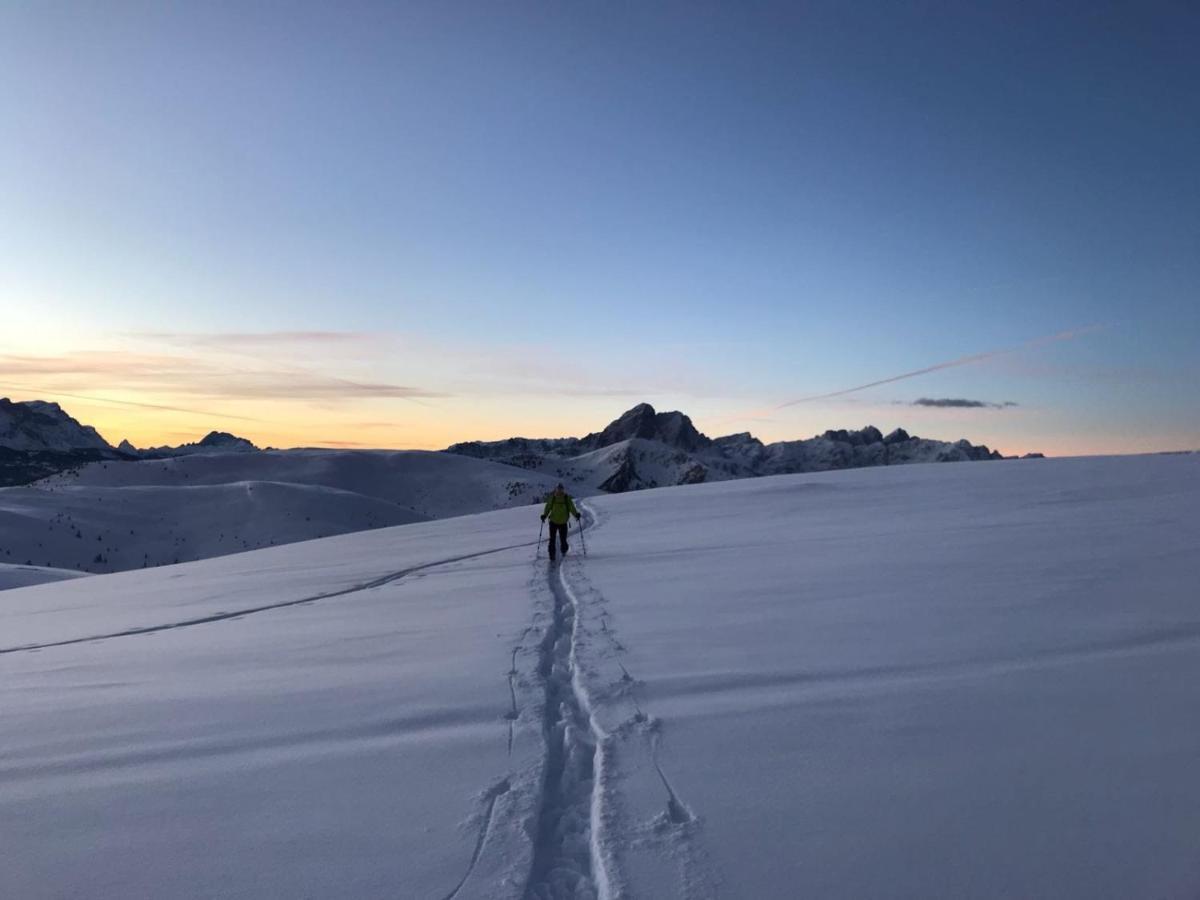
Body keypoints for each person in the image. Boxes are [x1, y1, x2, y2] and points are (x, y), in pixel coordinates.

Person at [541, 483, 581, 561]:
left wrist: (576, 514)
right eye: (558, 489)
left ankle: (555, 554)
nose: (559, 491)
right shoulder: (558, 498)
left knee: (559, 540)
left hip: (557, 522)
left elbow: (571, 508)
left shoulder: (564, 498)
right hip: (559, 522)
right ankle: (557, 554)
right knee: (556, 539)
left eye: (560, 489)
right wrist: (544, 515)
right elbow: (548, 507)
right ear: (556, 489)